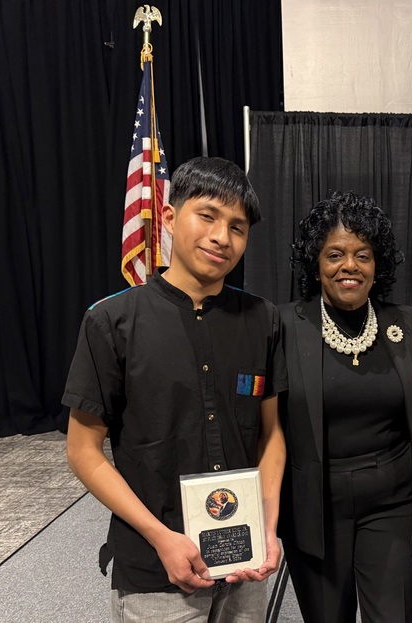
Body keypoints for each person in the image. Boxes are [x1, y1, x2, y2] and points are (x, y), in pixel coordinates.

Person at [63, 157, 286, 622]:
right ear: (169, 216)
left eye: (237, 227)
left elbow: (270, 435)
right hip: (156, 564)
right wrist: (161, 537)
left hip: (243, 559)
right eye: (207, 216)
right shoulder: (111, 322)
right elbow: (83, 451)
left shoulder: (262, 320)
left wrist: (268, 526)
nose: (221, 237)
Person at [277, 191, 412, 623]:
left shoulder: (407, 324)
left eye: (363, 255)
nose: (350, 265)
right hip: (314, 505)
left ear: (377, 265)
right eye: (335, 254)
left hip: (394, 501)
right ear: (315, 264)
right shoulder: (283, 326)